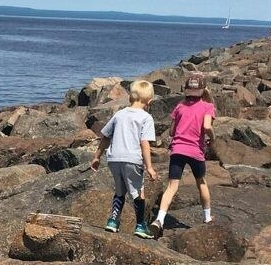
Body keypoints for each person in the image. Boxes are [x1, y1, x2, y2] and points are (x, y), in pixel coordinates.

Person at [90, 80, 158, 239]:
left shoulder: (119, 114)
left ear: (130, 98)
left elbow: (105, 136)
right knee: (138, 192)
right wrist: (149, 167)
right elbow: (144, 143)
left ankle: (113, 221)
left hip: (114, 159)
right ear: (150, 101)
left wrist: (96, 157)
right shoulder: (146, 117)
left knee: (120, 190)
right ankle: (141, 225)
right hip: (132, 159)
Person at [150, 73, 215, 237]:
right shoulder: (207, 106)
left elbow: (172, 131)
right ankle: (207, 217)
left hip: (178, 150)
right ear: (203, 90)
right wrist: (212, 139)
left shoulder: (179, 107)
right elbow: (207, 126)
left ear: (186, 90)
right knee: (201, 182)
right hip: (195, 151)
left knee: (172, 187)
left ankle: (160, 219)